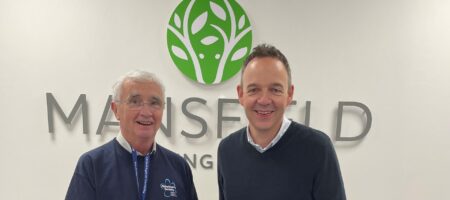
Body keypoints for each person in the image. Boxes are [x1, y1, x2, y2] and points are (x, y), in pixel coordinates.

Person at [217, 44, 346, 200]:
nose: (264, 100)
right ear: (241, 94)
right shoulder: (227, 150)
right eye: (254, 89)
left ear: (289, 94)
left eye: (275, 89)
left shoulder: (317, 149)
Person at [66, 70, 198, 200]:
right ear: (116, 109)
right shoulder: (92, 165)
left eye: (154, 103)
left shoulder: (179, 167)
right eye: (135, 102)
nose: (146, 112)